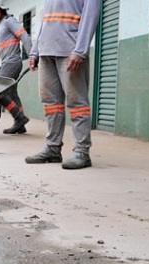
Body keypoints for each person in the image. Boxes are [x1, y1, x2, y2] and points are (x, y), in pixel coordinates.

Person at [25, 0, 100, 169]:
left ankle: (82, 151)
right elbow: (45, 20)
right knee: (51, 105)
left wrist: (80, 50)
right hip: (46, 52)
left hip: (69, 50)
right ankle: (52, 148)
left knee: (77, 103)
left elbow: (91, 15)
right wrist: (35, 50)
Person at [0, 0, 33, 135]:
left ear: (2, 10)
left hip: (12, 63)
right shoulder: (1, 25)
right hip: (7, 62)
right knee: (12, 94)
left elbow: (25, 36)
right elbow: (6, 44)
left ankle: (19, 118)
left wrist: (32, 56)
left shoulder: (9, 21)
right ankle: (20, 125)